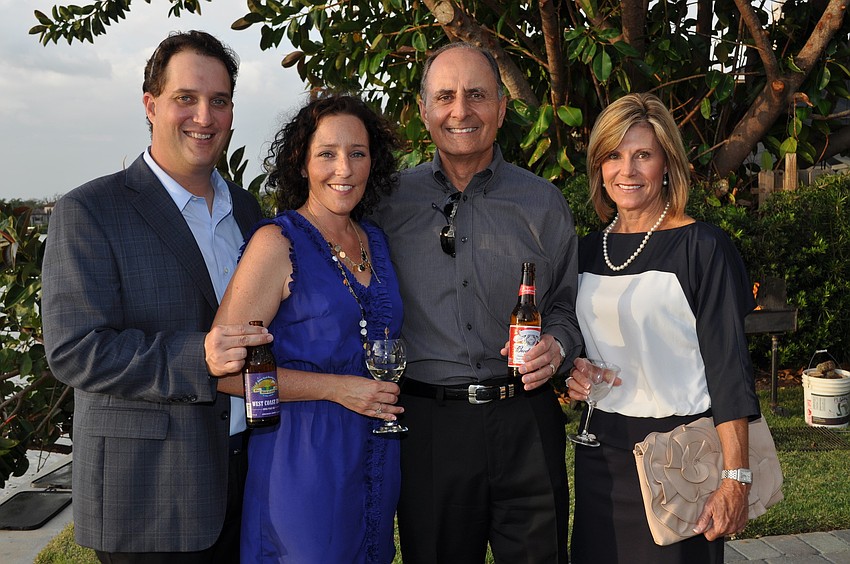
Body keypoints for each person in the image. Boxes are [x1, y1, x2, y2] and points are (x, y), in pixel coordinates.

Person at [42, 30, 269, 563]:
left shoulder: (246, 209)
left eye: (219, 101)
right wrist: (200, 356)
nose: (204, 117)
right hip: (151, 496)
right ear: (151, 104)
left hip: (248, 474)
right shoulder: (90, 211)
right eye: (185, 99)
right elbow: (75, 350)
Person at [370, 42, 582, 563]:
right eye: (445, 96)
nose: (460, 110)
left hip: (526, 423)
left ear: (502, 108)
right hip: (429, 429)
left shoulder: (542, 202)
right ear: (423, 111)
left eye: (477, 95)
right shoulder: (386, 203)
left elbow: (566, 307)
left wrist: (557, 344)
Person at [566, 92, 760, 563]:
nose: (626, 171)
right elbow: (575, 341)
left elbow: (729, 368)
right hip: (600, 456)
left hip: (681, 458)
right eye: (613, 155)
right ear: (598, 166)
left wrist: (736, 478)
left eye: (642, 155)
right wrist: (574, 375)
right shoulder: (585, 250)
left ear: (667, 163)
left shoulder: (703, 248)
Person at [212, 94, 404, 563]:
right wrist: (336, 389)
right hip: (301, 462)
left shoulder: (373, 240)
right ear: (301, 163)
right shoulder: (275, 243)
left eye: (357, 153)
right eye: (327, 154)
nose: (345, 168)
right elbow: (227, 373)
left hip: (374, 453)